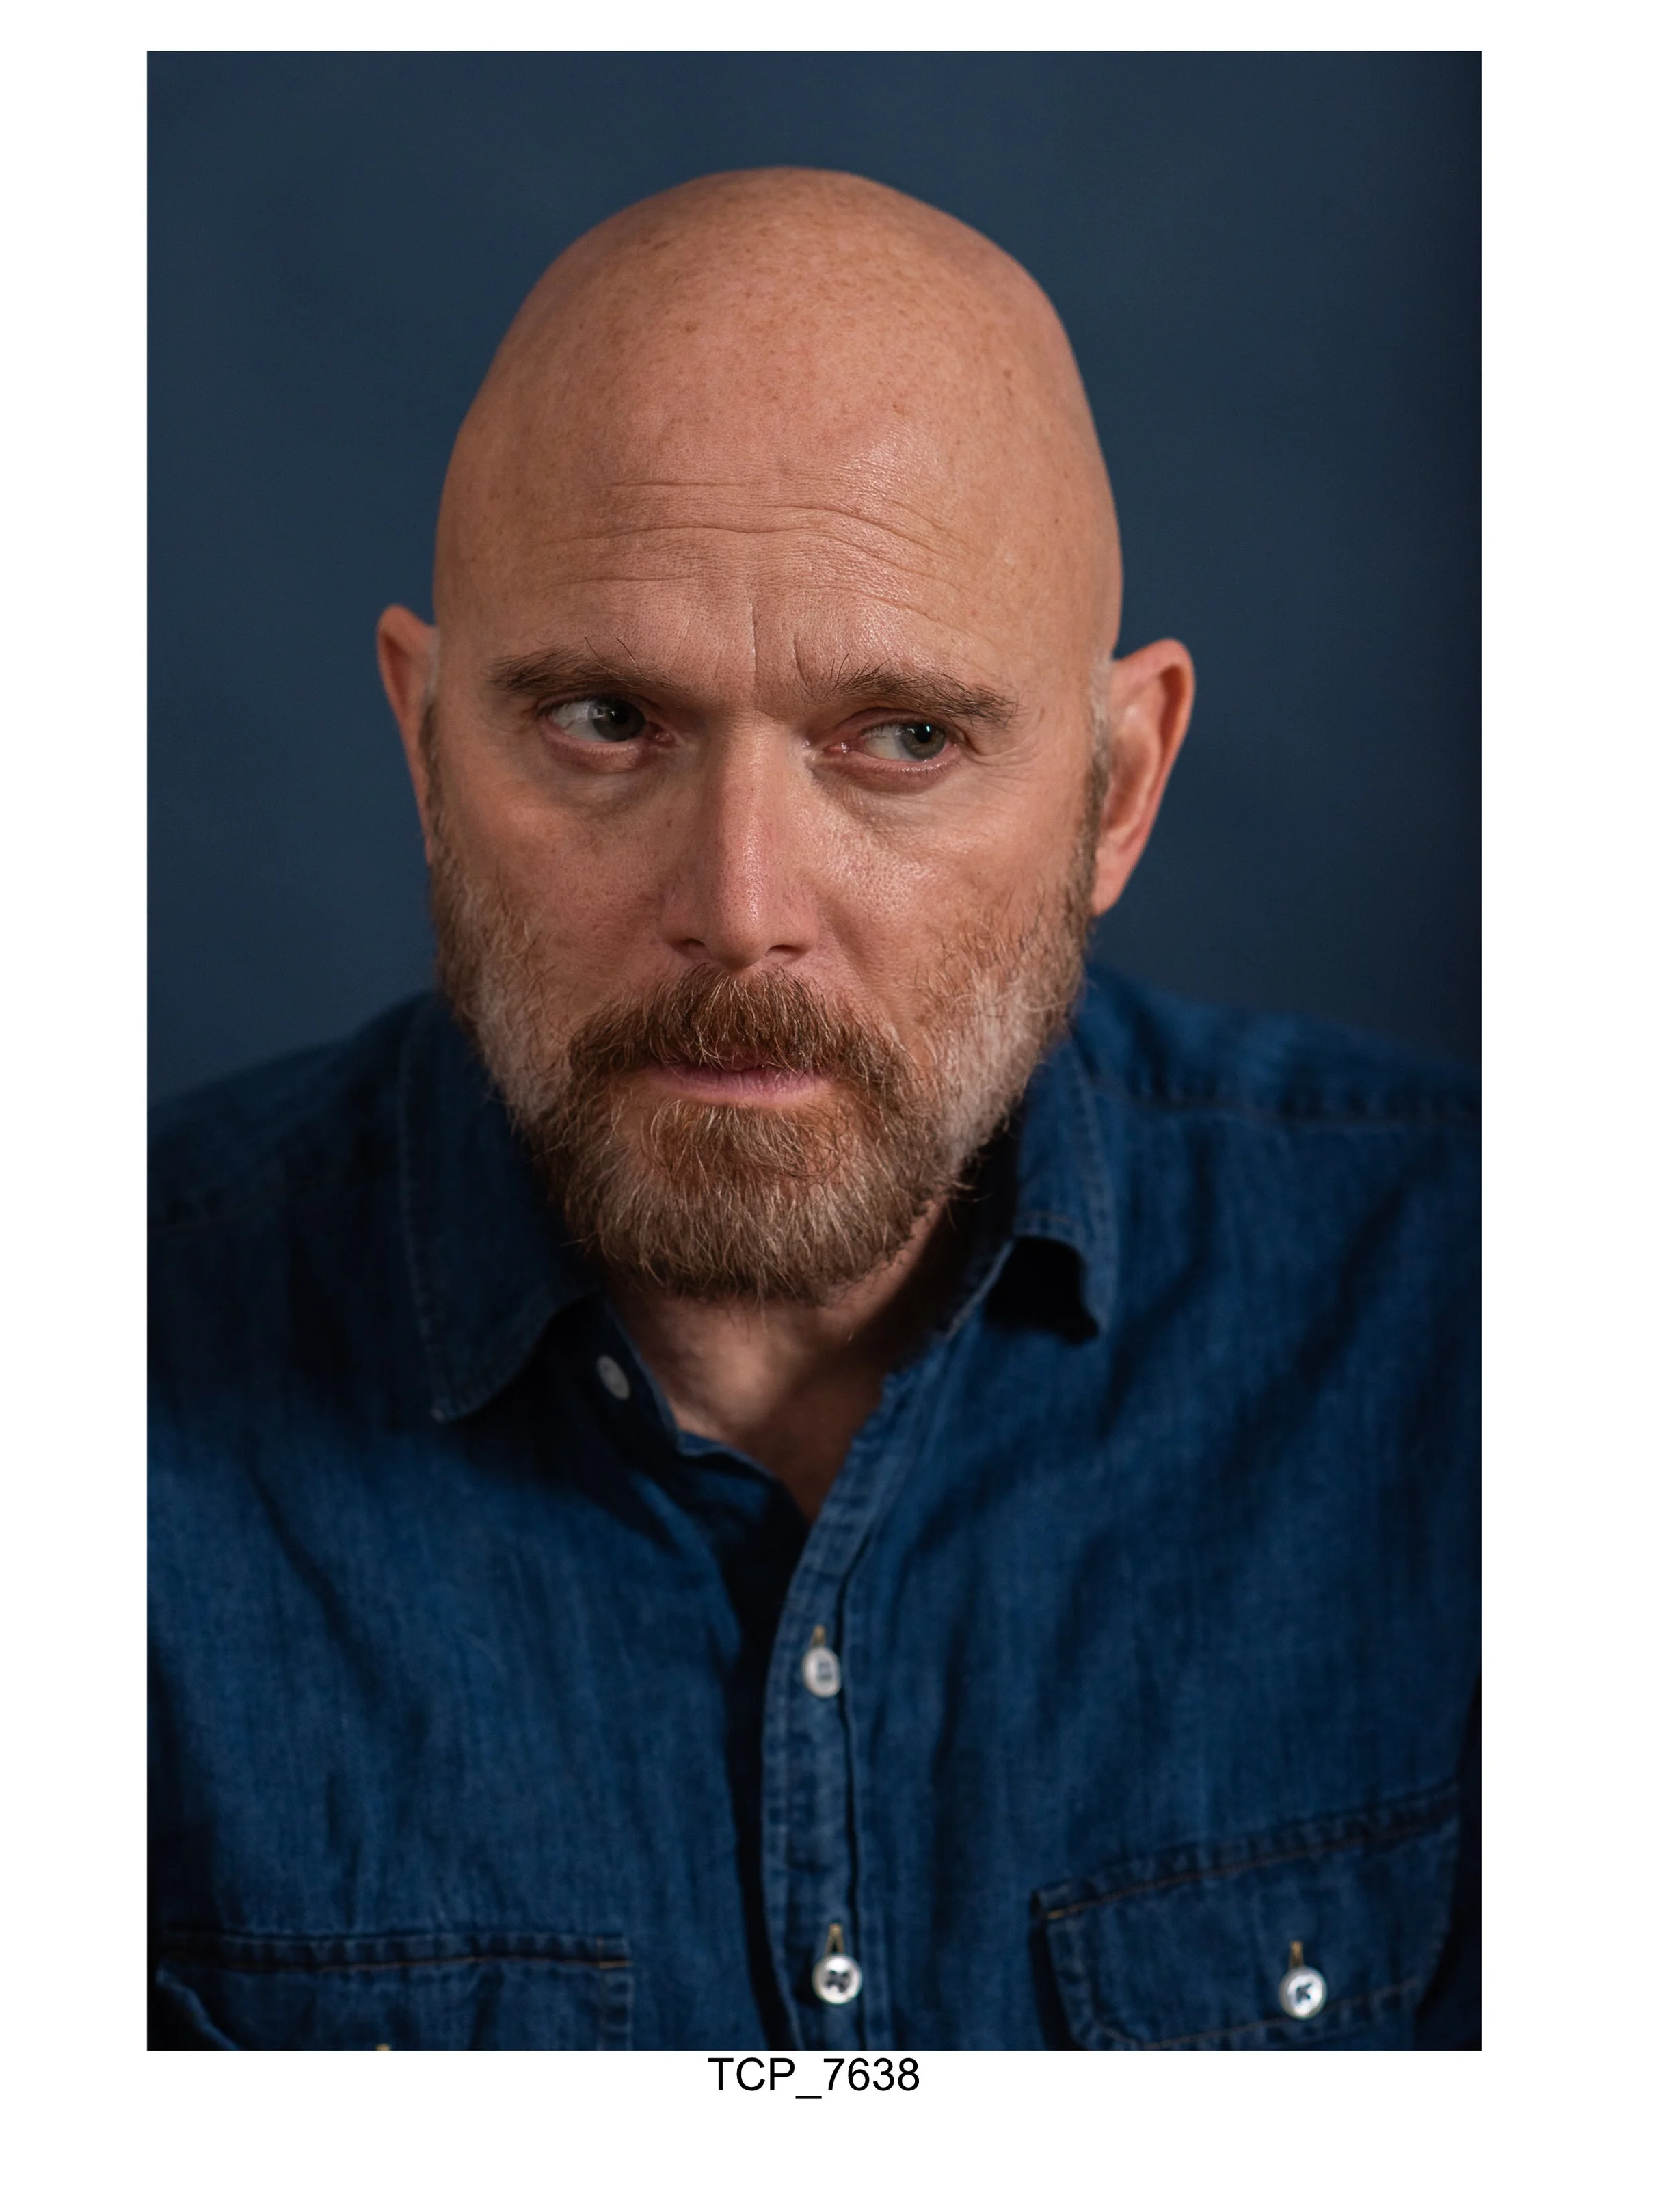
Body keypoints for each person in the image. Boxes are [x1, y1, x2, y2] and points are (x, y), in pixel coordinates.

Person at [148, 168, 1478, 2051]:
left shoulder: (1494, 1325)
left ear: (1117, 788)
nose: (740, 904)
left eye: (903, 739)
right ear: (425, 751)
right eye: (604, 720)